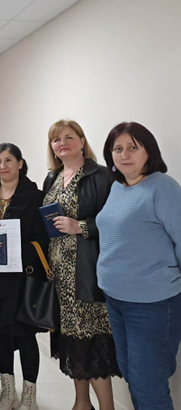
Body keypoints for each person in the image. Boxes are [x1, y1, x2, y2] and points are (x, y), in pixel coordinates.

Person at [97, 122, 181, 410]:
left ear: (149, 151)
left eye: (132, 147)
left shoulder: (163, 187)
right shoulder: (118, 187)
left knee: (149, 387)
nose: (124, 154)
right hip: (115, 299)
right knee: (132, 376)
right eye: (117, 149)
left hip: (152, 304)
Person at [42, 120, 119, 410]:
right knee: (73, 340)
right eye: (56, 139)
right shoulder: (52, 177)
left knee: (91, 341)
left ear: (82, 141)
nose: (62, 143)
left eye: (69, 137)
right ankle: (82, 402)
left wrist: (81, 227)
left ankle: (107, 407)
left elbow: (116, 220)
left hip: (86, 272)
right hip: (60, 276)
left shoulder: (101, 176)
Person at [0, 143, 48, 410]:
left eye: (8, 160)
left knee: (25, 336)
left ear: (20, 163)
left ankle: (29, 395)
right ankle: (8, 393)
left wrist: (17, 250)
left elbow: (43, 237)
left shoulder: (35, 195)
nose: (2, 166)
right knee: (0, 335)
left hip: (22, 277)